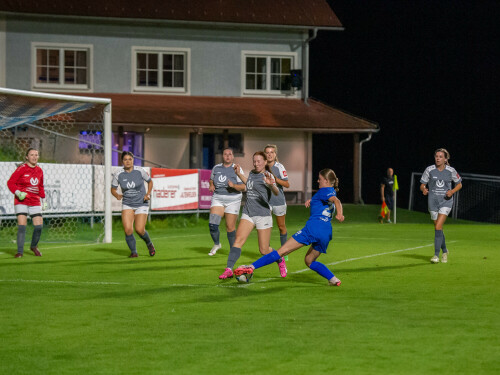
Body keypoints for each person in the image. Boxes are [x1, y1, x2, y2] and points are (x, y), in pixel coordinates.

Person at [234, 168, 344, 286]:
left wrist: (340, 214)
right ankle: (333, 279)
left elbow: (336, 201)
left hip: (313, 229)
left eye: (320, 179)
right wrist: (312, 201)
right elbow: (327, 201)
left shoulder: (324, 190)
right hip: (326, 233)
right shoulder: (331, 190)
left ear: (326, 180)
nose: (318, 181)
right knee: (309, 261)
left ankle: (251, 267)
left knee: (282, 251)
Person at [218, 151, 287, 279]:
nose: (256, 164)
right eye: (254, 161)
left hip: (263, 215)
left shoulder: (268, 175)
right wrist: (239, 173)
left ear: (265, 162)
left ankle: (280, 259)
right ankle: (228, 269)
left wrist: (271, 184)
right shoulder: (253, 173)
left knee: (264, 250)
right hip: (248, 212)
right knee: (238, 241)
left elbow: (276, 192)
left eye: (259, 161)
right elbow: (249, 184)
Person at [420, 148, 462, 264]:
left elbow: (459, 184)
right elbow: (422, 185)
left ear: (445, 159)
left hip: (446, 202)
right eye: (436, 156)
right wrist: (423, 189)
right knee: (438, 228)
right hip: (432, 202)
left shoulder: (451, 170)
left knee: (438, 226)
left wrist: (452, 192)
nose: (437, 158)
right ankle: (444, 250)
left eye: (440, 157)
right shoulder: (429, 170)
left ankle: (436, 255)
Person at [111, 151, 156, 258]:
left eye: (130, 159)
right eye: (125, 159)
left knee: (139, 229)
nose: (128, 161)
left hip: (141, 203)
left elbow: (150, 182)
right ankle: (134, 252)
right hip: (127, 204)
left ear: (133, 160)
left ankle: (149, 244)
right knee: (128, 230)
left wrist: (148, 194)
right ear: (122, 161)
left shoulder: (140, 171)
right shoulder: (118, 174)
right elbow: (112, 189)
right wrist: (116, 195)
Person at [7, 148, 46, 258]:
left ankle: (33, 246)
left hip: (34, 201)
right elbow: (10, 183)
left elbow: (40, 187)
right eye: (32, 155)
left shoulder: (39, 170)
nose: (34, 157)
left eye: (36, 155)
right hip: (21, 201)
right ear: (27, 157)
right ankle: (20, 252)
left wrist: (44, 200)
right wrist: (18, 193)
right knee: (22, 226)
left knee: (39, 226)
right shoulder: (21, 169)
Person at [207, 147, 244, 256]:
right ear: (222, 156)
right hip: (218, 198)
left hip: (233, 199)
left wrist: (233, 186)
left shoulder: (237, 169)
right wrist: (211, 185)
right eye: (225, 154)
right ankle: (217, 244)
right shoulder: (216, 168)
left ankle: (233, 250)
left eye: (230, 154)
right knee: (213, 225)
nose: (227, 156)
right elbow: (211, 179)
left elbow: (243, 186)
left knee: (230, 227)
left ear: (233, 157)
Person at [264, 144, 290, 256]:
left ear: (275, 155)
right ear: (264, 154)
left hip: (278, 201)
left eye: (271, 152)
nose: (269, 154)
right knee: (265, 226)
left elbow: (287, 184)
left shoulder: (280, 167)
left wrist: (275, 179)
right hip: (265, 201)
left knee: (281, 226)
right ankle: (266, 251)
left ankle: (284, 252)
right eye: (267, 152)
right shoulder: (261, 167)